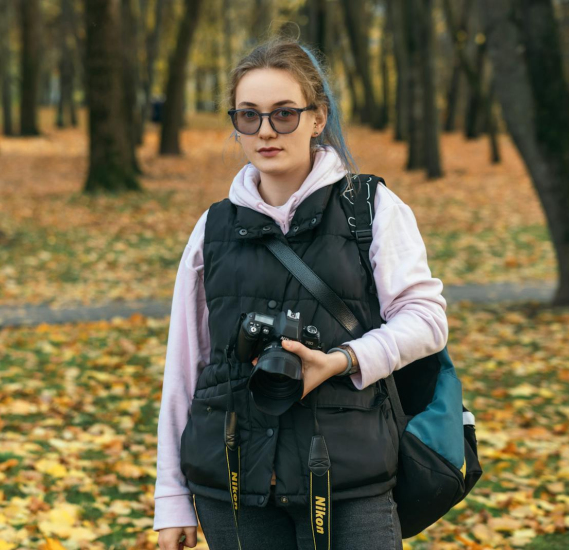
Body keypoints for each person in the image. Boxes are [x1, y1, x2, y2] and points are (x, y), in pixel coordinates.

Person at [154, 36, 448, 550]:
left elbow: (426, 319)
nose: (266, 131)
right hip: (233, 485)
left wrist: (342, 360)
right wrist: (172, 500)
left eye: (284, 114)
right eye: (249, 116)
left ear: (318, 118)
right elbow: (185, 367)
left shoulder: (370, 209)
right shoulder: (213, 227)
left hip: (348, 477)